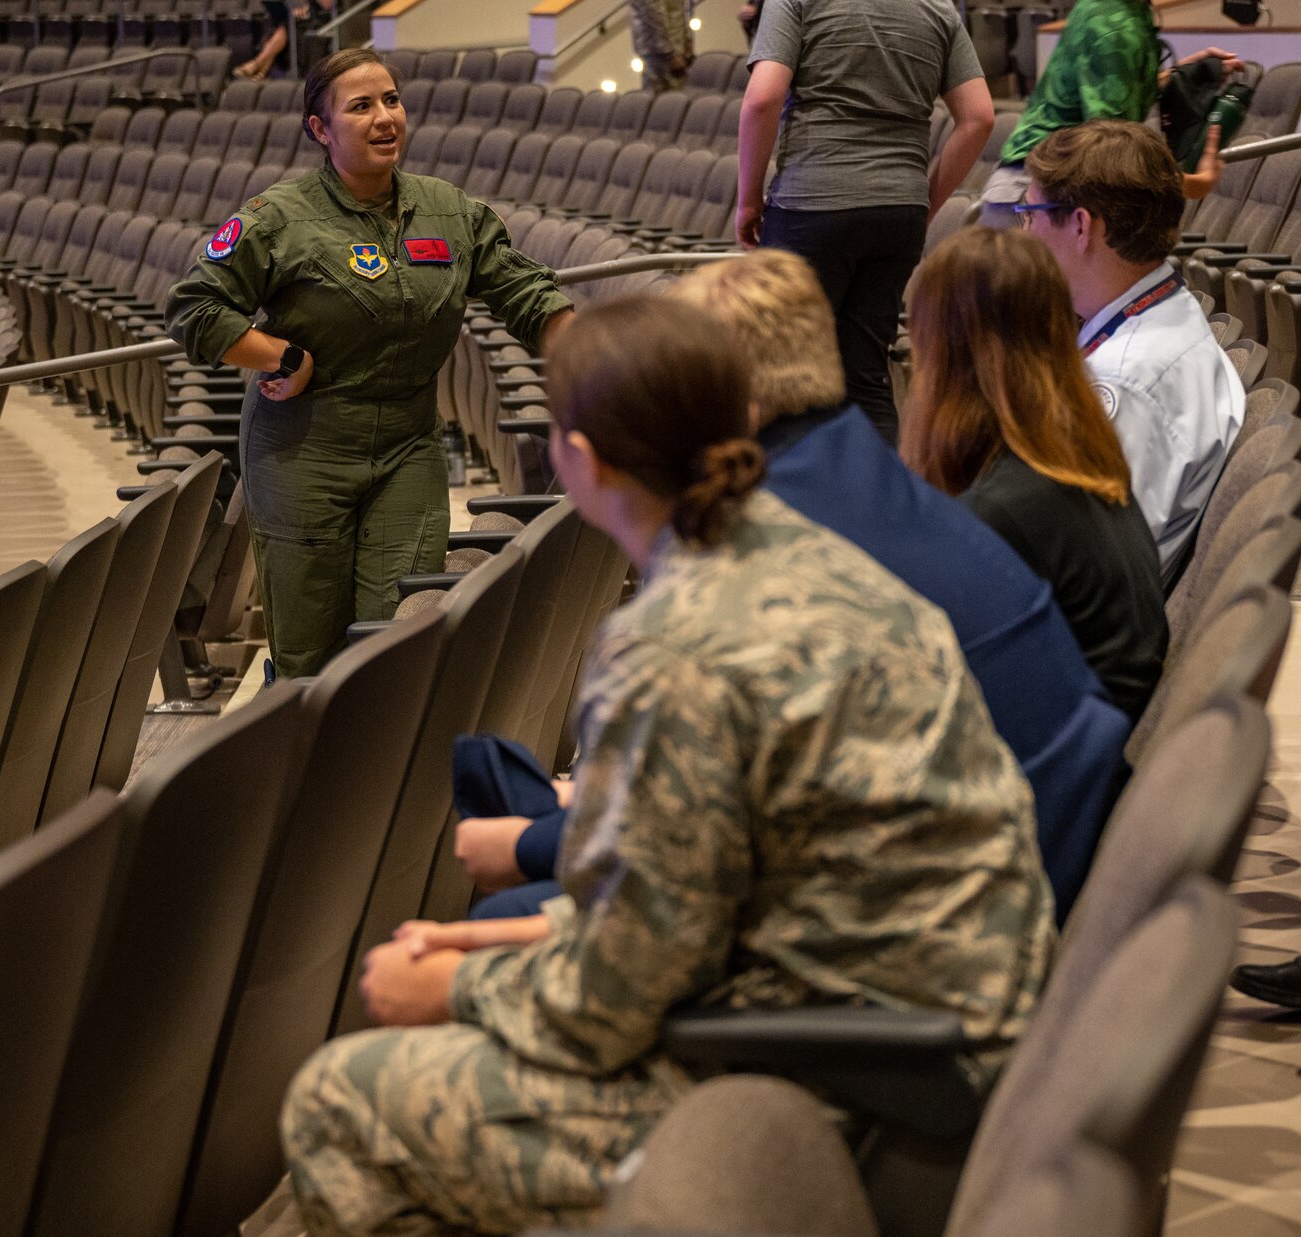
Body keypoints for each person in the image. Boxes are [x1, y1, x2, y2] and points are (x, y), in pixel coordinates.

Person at [279, 295, 1057, 1236]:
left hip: (849, 1087)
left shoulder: (670, 650)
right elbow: (691, 898)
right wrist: (493, 944)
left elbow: (611, 1004)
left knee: (340, 1097)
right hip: (948, 1030)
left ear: (579, 461)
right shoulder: (817, 558)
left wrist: (449, 985)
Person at [456, 249, 1133, 919]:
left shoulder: (778, 531)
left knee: (513, 914)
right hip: (1004, 840)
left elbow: (717, 825)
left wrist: (537, 840)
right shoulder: (846, 462)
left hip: (969, 897)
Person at [167, 50, 572, 680]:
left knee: (399, 640)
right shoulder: (279, 217)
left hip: (407, 444)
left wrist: (596, 355)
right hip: (303, 448)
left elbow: (526, 293)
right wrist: (279, 354)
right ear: (320, 129)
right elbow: (194, 307)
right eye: (361, 107)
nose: (385, 118)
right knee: (310, 652)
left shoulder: (447, 210)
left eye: (392, 100)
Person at [902, 224, 1169, 724]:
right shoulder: (1077, 462)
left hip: (1058, 781)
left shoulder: (1004, 512)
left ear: (944, 355)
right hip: (1095, 752)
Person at [737, 0, 996, 444]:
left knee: (783, 379)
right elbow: (979, 117)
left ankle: (792, 509)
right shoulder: (938, 7)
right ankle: (882, 509)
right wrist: (924, 202)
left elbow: (763, 98)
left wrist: (747, 201)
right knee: (866, 379)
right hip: (900, 212)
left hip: (812, 201)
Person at [1018, 118, 1245, 579]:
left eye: (1031, 215)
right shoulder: (1160, 315)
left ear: (1080, 225)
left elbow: (1091, 569)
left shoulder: (1127, 381)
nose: (1024, 235)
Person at [975, 0, 1240, 228]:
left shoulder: (1120, 9)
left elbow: (1107, 86)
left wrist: (1176, 75)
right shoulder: (1116, 27)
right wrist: (1196, 184)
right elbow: (1114, 159)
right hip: (1039, 197)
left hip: (1049, 192)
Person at [630, 0, 692, 91]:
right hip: (658, 51)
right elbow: (654, 15)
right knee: (664, 97)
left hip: (669, 47)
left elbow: (680, 11)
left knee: (674, 97)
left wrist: (687, 40)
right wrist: (670, 53)